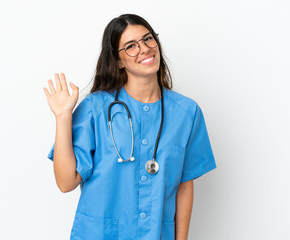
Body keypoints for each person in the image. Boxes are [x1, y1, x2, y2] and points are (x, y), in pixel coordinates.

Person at [43, 13, 216, 240]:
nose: (144, 49)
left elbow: (184, 185)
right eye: (131, 46)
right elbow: (66, 183)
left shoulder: (186, 112)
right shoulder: (95, 108)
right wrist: (63, 117)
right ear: (118, 61)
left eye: (148, 39)